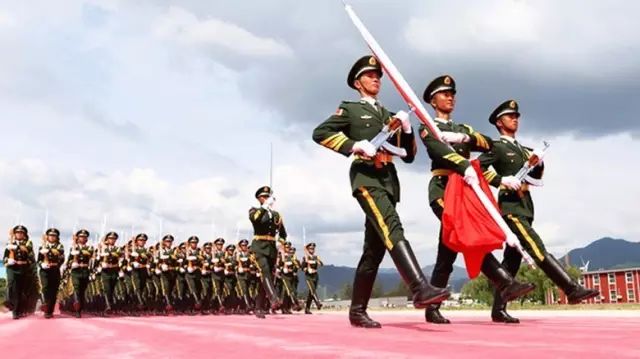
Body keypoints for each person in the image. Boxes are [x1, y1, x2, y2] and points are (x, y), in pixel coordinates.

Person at [312, 55, 449, 328]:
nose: (376, 79)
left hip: (387, 179)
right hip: (366, 177)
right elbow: (321, 133)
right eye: (370, 75)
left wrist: (407, 130)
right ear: (357, 82)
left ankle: (357, 311)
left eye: (378, 76)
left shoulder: (388, 115)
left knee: (373, 251)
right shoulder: (350, 109)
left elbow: (408, 156)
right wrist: (354, 145)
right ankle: (419, 287)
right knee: (392, 226)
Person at [418, 75, 536, 324]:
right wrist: (462, 162)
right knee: (466, 235)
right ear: (432, 100)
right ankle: (505, 281)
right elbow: (437, 151)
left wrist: (465, 139)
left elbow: (489, 144)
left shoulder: (463, 129)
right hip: (443, 189)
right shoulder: (427, 126)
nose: (450, 97)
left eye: (452, 93)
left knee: (448, 252)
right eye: (444, 93)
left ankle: (432, 307)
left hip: (465, 190)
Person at [479, 100, 599, 323]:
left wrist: (538, 163)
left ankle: (498, 309)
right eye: (510, 116)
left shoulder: (523, 149)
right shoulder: (497, 147)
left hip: (525, 207)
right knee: (536, 246)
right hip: (510, 208)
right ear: (499, 122)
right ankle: (571, 288)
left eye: (517, 116)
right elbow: (478, 169)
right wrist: (501, 180)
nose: (515, 119)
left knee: (511, 261)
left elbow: (535, 179)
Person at [249, 185, 290, 319]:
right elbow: (255, 219)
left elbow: (283, 234)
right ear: (259, 198)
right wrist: (264, 207)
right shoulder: (255, 210)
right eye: (264, 197)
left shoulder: (277, 215)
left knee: (266, 277)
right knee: (265, 271)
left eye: (269, 197)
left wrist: (280, 242)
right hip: (259, 247)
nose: (267, 199)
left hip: (272, 248)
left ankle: (259, 307)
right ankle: (274, 299)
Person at [3, 225, 36, 319]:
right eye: (17, 233)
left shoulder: (28, 243)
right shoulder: (9, 243)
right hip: (12, 268)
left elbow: (28, 251)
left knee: (20, 290)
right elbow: (5, 256)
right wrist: (8, 261)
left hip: (23, 269)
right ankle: (9, 303)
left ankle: (17, 310)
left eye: (21, 233)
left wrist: (15, 246)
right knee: (10, 284)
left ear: (24, 235)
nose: (19, 234)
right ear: (14, 234)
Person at [67, 229, 94, 318]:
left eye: (84, 237)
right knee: (76, 287)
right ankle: (77, 307)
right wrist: (72, 263)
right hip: (76, 271)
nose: (82, 238)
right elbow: (68, 261)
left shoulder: (90, 248)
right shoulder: (72, 248)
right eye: (81, 237)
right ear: (78, 238)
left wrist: (77, 250)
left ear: (86, 239)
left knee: (82, 291)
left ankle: (80, 308)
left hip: (85, 270)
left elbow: (90, 255)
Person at [301, 242, 323, 314]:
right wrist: (306, 266)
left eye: (313, 249)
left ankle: (307, 309)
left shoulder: (316, 257)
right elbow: (303, 268)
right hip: (309, 276)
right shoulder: (305, 257)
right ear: (307, 249)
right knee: (312, 290)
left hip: (315, 276)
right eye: (310, 249)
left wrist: (317, 261)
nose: (312, 250)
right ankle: (318, 303)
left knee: (311, 294)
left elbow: (321, 264)